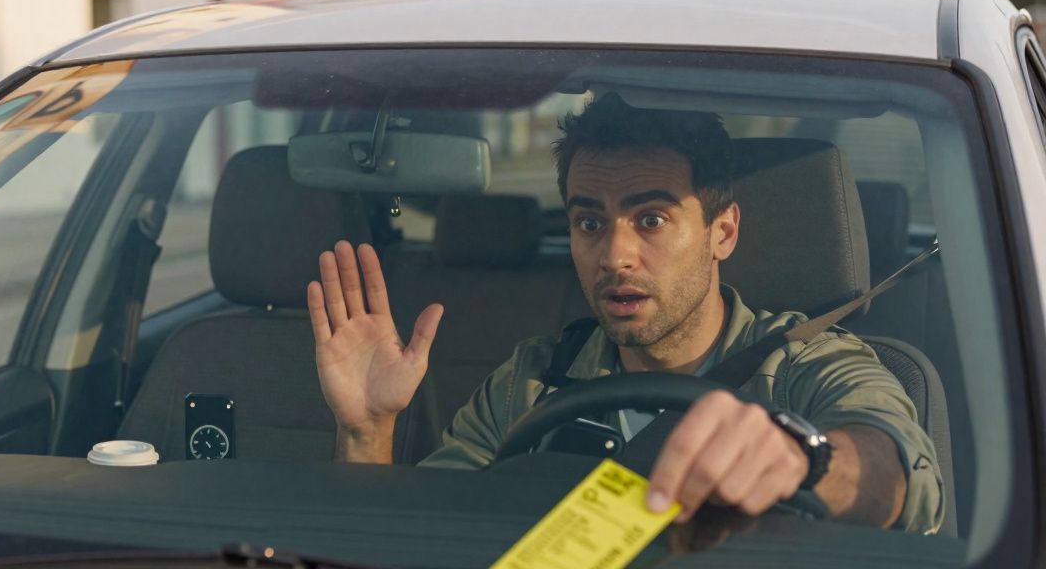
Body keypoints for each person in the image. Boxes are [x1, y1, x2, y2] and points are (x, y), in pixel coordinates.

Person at [304, 98, 942, 534]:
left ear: (723, 232)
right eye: (588, 222)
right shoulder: (530, 380)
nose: (614, 255)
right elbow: (420, 542)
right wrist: (368, 431)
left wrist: (805, 461)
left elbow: (896, 476)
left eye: (652, 219)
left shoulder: (806, 364)